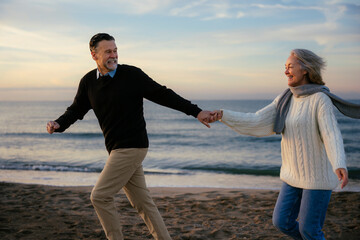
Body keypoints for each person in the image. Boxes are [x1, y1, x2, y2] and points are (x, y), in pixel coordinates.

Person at [46, 33, 213, 240]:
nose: (113, 55)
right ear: (94, 55)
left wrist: (196, 111)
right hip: (116, 148)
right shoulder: (89, 82)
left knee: (99, 196)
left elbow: (163, 94)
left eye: (115, 50)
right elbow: (76, 110)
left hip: (132, 146)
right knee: (143, 203)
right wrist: (59, 123)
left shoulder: (132, 75)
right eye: (108, 51)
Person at [210, 49, 360, 239]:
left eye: (290, 67)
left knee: (309, 229)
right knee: (281, 222)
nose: (286, 71)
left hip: (317, 177)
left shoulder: (320, 99)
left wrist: (339, 163)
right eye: (285, 67)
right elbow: (255, 120)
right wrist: (224, 115)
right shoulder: (285, 99)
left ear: (305, 69)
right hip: (292, 175)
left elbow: (331, 133)